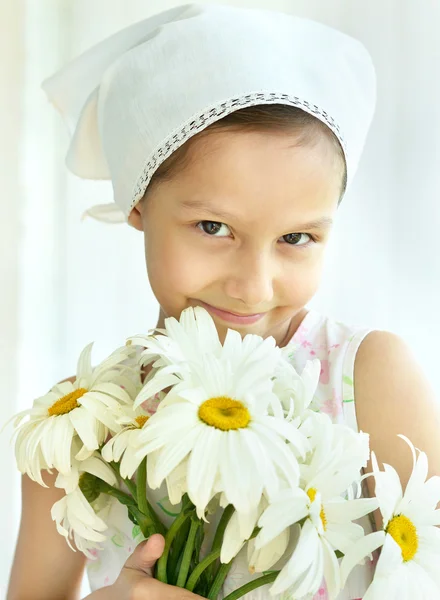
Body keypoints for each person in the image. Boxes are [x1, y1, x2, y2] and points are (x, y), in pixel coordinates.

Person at [7, 4, 440, 600]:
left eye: (296, 238)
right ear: (138, 202)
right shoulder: (78, 428)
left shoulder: (365, 378)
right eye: (213, 227)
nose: (253, 286)